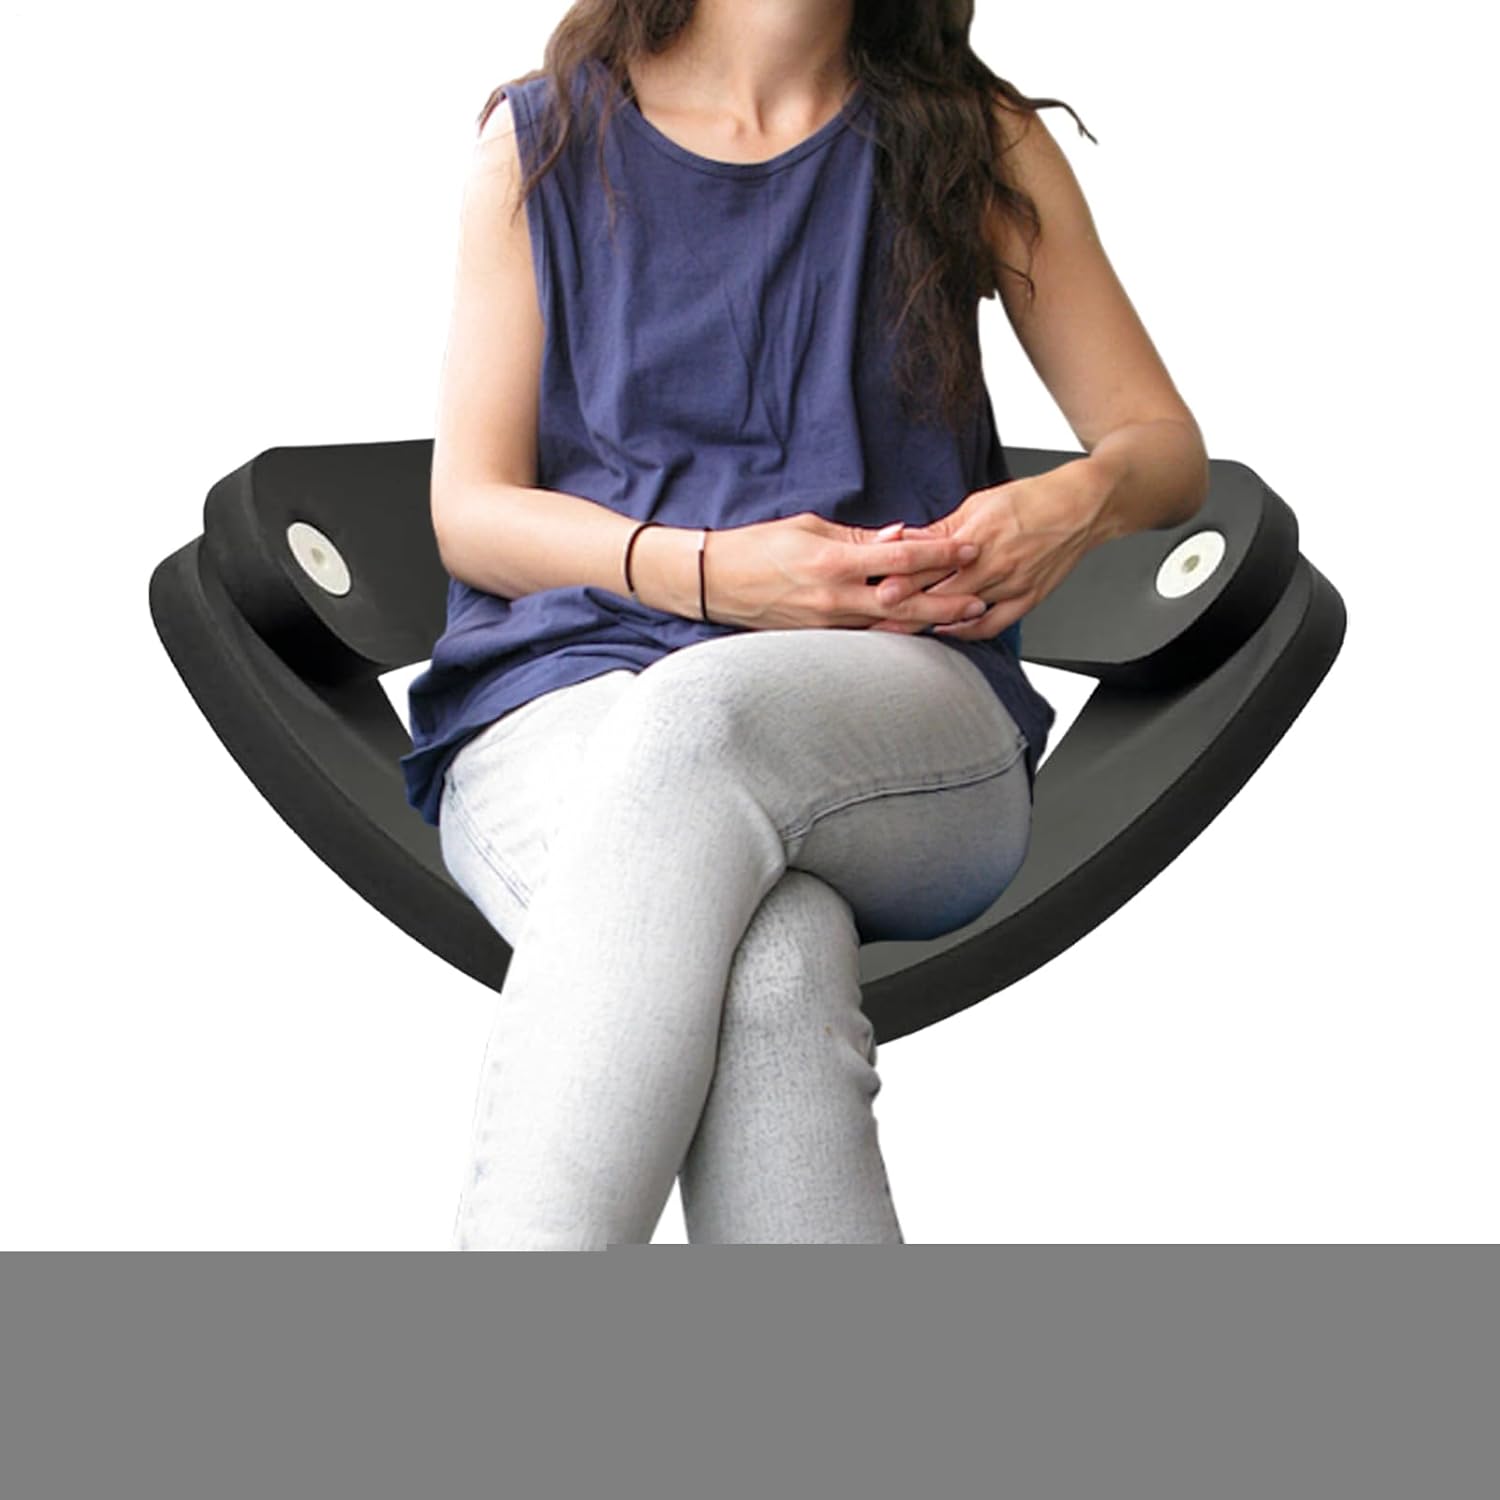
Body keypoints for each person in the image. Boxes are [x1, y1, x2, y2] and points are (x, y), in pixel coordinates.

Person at [401, 0, 1211, 1249]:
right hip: (559, 694)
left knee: (700, 713)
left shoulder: (972, 136)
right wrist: (716, 575)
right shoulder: (542, 142)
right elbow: (472, 514)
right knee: (774, 963)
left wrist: (1072, 503)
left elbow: (1162, 449)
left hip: (898, 711)